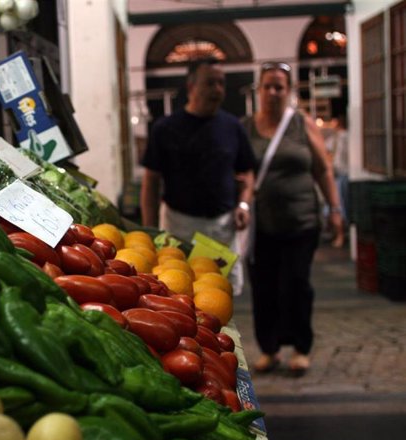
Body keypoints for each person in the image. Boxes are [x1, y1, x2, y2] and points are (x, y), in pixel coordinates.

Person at [240, 62, 343, 374]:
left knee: (296, 284)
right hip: (261, 226)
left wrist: (335, 209)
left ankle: (300, 347)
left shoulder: (301, 124)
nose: (273, 92)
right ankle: (269, 349)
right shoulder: (245, 127)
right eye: (268, 86)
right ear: (258, 90)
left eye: (279, 87)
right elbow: (239, 171)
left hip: (301, 221)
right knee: (263, 287)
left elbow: (322, 169)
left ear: (288, 91)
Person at [139, 57, 256, 294]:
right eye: (210, 83)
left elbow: (247, 172)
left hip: (222, 228)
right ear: (191, 86)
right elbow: (151, 182)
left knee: (223, 294)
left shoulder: (233, 127)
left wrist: (244, 204)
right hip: (179, 226)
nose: (217, 90)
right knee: (179, 291)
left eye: (221, 83)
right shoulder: (165, 128)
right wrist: (149, 231)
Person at [323, 116, 349, 248]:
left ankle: (340, 235)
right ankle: (337, 234)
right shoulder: (335, 138)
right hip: (338, 174)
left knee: (339, 206)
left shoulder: (343, 138)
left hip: (342, 174)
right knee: (337, 206)